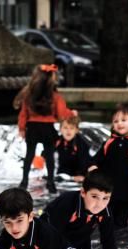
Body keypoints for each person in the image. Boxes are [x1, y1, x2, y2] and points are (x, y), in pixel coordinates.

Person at [42, 170, 118, 249]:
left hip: (79, 236)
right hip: (48, 237)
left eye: (105, 198)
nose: (99, 204)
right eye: (94, 196)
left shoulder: (105, 211)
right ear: (83, 192)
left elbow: (108, 238)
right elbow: (52, 237)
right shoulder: (67, 203)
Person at [14, 64, 76, 193]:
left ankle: (24, 181)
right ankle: (51, 183)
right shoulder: (54, 96)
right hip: (47, 128)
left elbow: (23, 114)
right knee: (49, 157)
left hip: (32, 128)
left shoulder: (28, 95)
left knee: (29, 155)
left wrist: (21, 128)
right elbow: (61, 114)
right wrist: (72, 113)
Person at [87, 102, 128, 227]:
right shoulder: (109, 143)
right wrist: (93, 166)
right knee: (107, 220)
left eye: (123, 120)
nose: (119, 123)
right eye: (115, 121)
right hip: (109, 190)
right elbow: (96, 159)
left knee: (126, 220)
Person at [55, 115, 91, 181]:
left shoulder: (82, 144)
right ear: (60, 129)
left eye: (71, 128)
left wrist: (80, 175)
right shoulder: (57, 141)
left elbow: (84, 163)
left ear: (76, 130)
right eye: (65, 128)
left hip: (78, 175)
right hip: (62, 174)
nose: (68, 131)